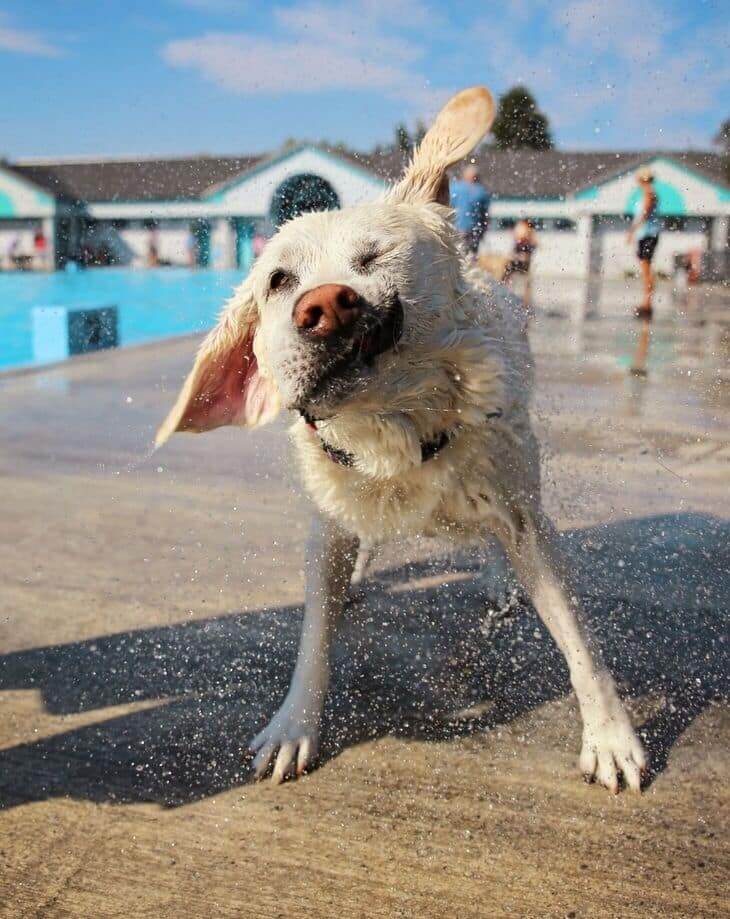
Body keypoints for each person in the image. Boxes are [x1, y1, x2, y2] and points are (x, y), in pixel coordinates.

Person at [627, 167, 661, 320]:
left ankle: (647, 304)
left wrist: (632, 231)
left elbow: (645, 213)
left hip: (648, 234)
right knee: (646, 268)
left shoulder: (649, 193)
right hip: (646, 235)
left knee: (646, 269)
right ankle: (646, 302)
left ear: (643, 180)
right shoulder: (648, 193)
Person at [449, 163, 490, 256]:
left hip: (455, 229)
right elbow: (485, 216)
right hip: (473, 230)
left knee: (455, 256)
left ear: (464, 176)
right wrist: (483, 232)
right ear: (476, 177)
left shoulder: (454, 188)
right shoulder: (481, 191)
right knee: (471, 257)